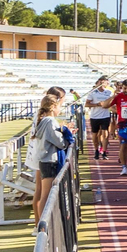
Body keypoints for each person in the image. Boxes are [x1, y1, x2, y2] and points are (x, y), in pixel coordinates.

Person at [27, 92, 70, 222]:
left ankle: (43, 223)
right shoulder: (50, 122)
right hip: (49, 161)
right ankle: (43, 224)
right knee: (46, 195)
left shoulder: (44, 120)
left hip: (45, 160)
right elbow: (60, 142)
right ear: (53, 107)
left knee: (45, 194)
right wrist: (67, 135)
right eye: (59, 106)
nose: (60, 109)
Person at [85, 76, 114, 160]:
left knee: (105, 133)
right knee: (95, 134)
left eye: (105, 82)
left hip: (105, 116)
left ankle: (104, 151)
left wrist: (107, 105)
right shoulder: (93, 92)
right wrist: (97, 104)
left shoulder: (109, 92)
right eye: (101, 82)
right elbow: (87, 104)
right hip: (95, 116)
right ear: (99, 82)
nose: (103, 83)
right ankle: (96, 150)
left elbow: (111, 103)